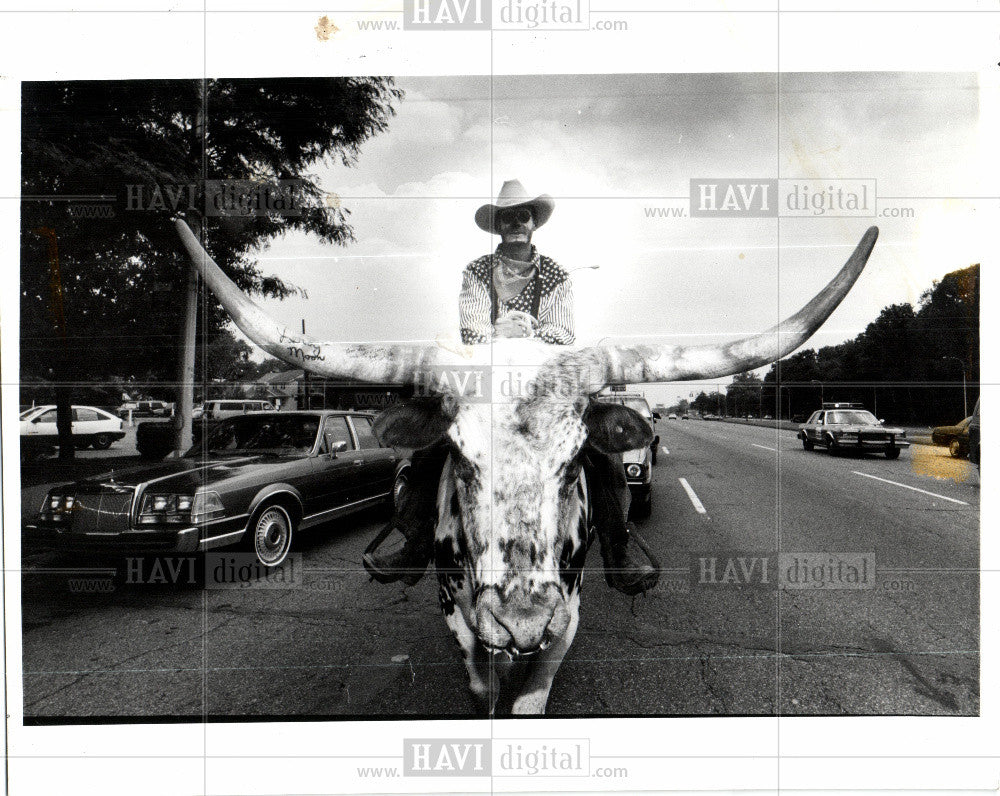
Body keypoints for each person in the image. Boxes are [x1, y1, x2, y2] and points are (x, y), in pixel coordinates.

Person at [363, 180, 658, 595]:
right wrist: (497, 331)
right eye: (507, 217)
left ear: (534, 222)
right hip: (488, 380)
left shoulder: (555, 274)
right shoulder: (477, 271)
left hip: (544, 383)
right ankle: (415, 545)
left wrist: (530, 329)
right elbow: (472, 327)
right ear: (498, 225)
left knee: (598, 457)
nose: (516, 223)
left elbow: (562, 332)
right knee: (433, 451)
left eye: (523, 215)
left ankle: (617, 548)